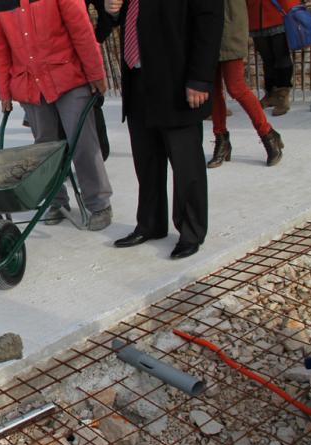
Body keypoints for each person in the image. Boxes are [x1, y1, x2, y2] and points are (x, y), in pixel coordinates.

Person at [103, 0, 223, 259]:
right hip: (138, 80)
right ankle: (150, 223)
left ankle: (191, 231)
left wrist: (200, 78)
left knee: (185, 164)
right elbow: (133, 16)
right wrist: (113, 12)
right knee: (146, 160)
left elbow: (209, 20)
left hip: (177, 80)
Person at [0, 0, 114, 231]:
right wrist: (4, 91)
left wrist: (95, 72)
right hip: (29, 83)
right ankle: (57, 202)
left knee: (82, 141)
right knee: (45, 148)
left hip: (67, 75)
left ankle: (99, 203)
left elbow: (80, 29)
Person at [208, 0, 284, 168]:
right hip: (206, 31)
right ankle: (221, 140)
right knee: (212, 89)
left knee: (236, 87)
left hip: (231, 28)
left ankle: (268, 134)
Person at [246, 0, 298, 116]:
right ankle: (271, 93)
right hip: (255, 15)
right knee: (267, 60)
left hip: (278, 13)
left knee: (282, 57)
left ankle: (282, 94)